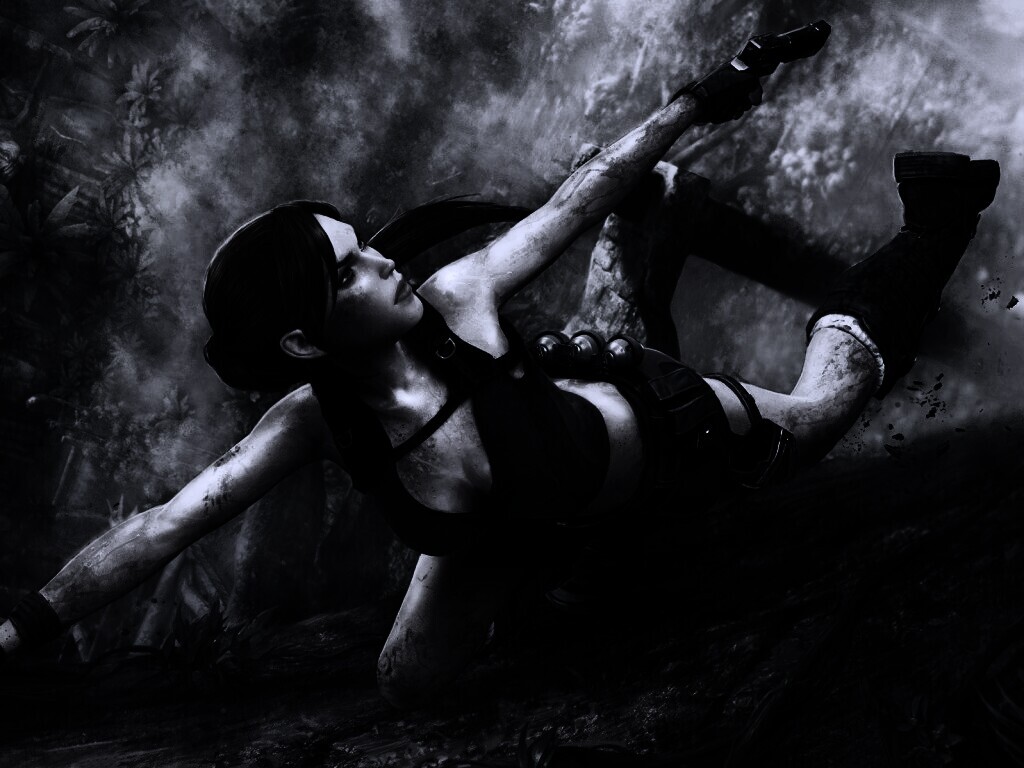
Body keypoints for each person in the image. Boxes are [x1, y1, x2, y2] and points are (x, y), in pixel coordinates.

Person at [0, 21, 1000, 709]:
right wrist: (21, 630)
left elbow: (580, 194)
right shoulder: (314, 417)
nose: (383, 260)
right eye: (350, 271)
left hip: (664, 428)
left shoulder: (458, 297)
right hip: (510, 525)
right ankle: (556, 562)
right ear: (303, 340)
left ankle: (937, 216)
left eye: (363, 246)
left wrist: (704, 96)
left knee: (822, 412)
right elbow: (167, 524)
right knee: (406, 685)